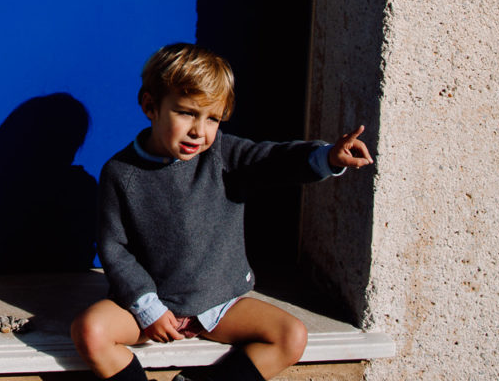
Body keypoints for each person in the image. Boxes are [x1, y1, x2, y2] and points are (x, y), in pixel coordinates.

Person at [70, 43, 374, 381]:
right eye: (186, 112)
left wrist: (328, 157)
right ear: (150, 105)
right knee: (90, 331)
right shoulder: (121, 173)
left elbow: (272, 160)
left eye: (212, 118)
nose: (199, 131)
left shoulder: (222, 155)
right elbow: (116, 250)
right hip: (152, 307)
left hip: (218, 304)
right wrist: (147, 307)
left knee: (291, 336)